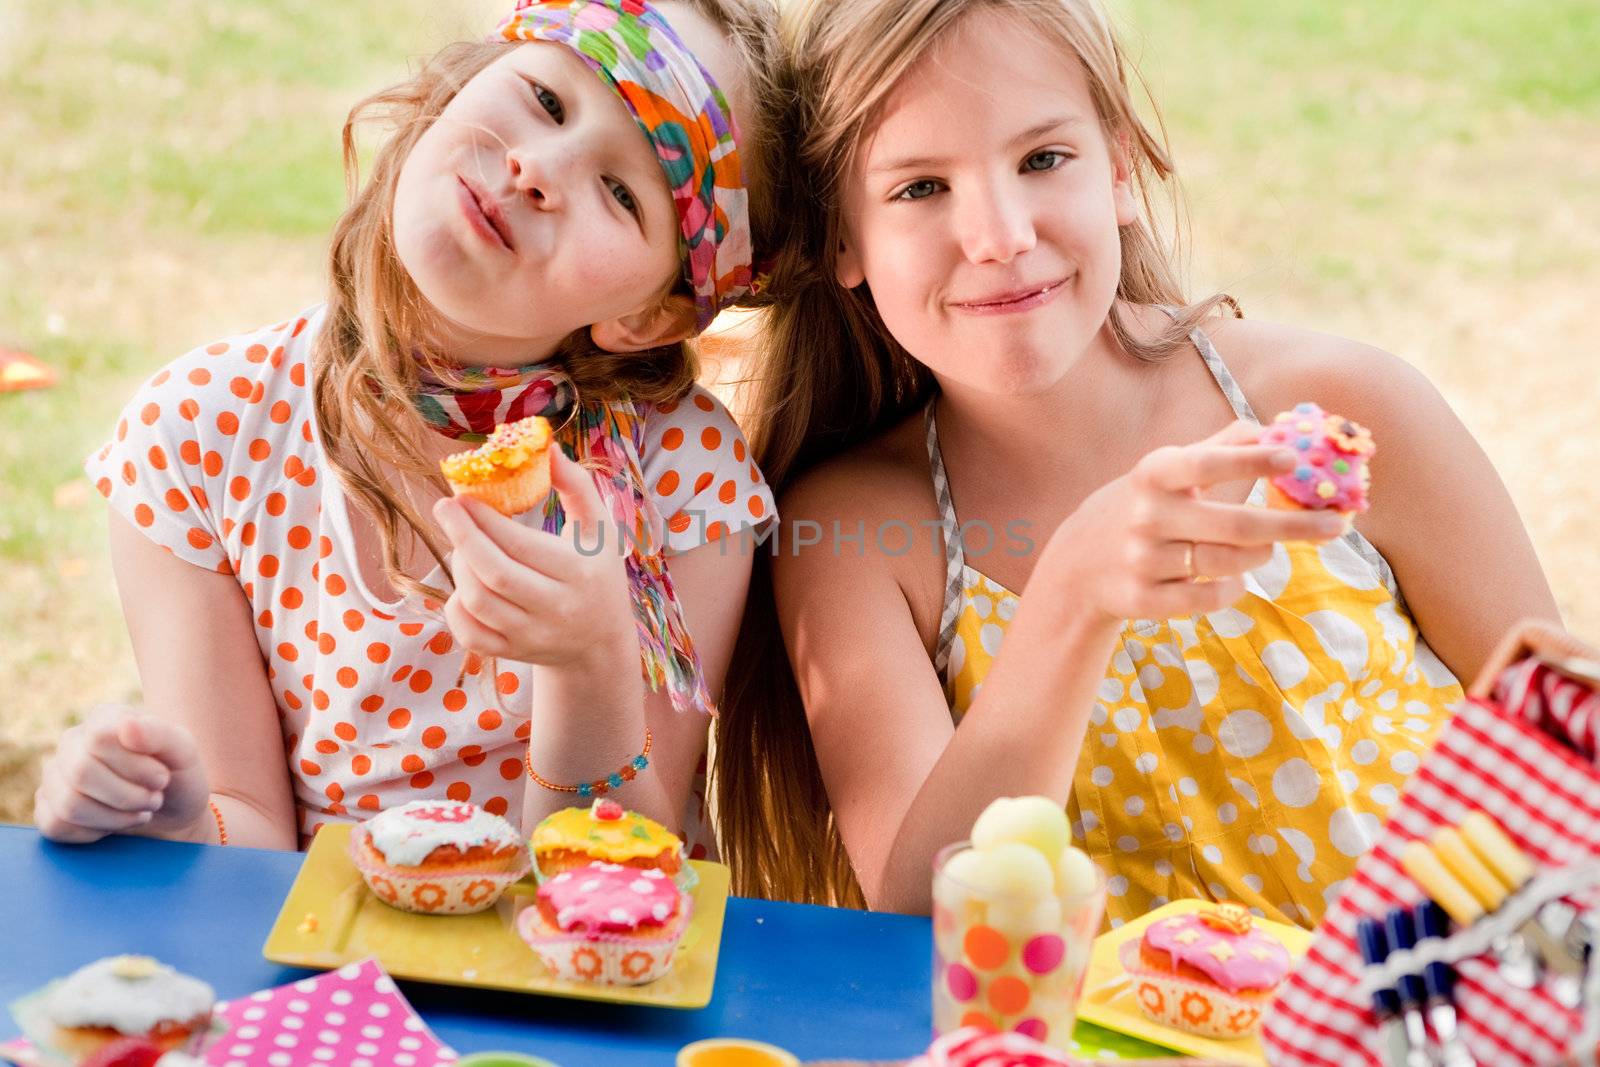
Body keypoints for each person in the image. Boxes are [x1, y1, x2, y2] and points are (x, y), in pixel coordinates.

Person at [715, 0, 1560, 924]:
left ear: (1118, 168)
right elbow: (926, 921)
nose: (1000, 237)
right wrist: (1073, 602)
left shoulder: (1334, 406)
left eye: (1042, 159)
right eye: (920, 188)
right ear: (843, 236)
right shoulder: (860, 533)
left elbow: (1561, 746)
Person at [36, 0, 780, 854]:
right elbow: (244, 827)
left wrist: (589, 664)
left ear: (649, 317)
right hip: (318, 973)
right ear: (463, 85)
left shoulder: (680, 474)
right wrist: (168, 813)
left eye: (622, 193)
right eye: (545, 99)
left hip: (569, 974)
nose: (537, 167)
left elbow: (627, 878)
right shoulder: (201, 432)